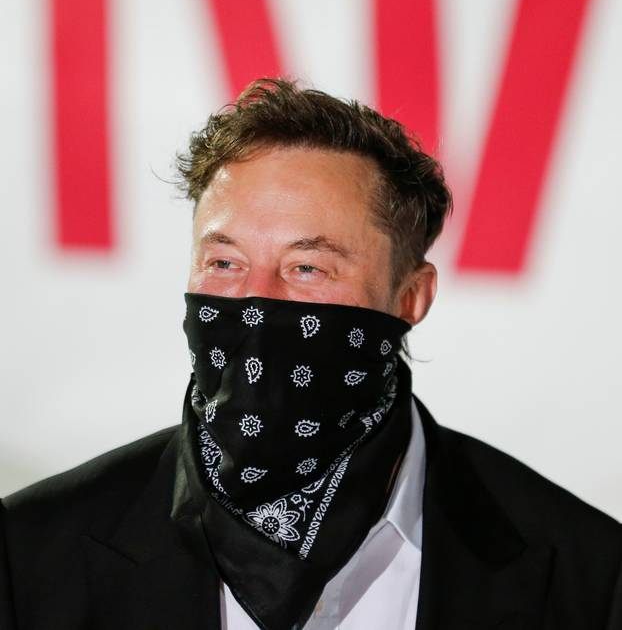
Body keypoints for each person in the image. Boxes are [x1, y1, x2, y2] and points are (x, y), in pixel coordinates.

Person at [1, 78, 621, 630]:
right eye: (225, 263)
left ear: (411, 296)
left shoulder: (588, 578)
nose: (257, 301)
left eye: (307, 267)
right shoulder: (27, 556)